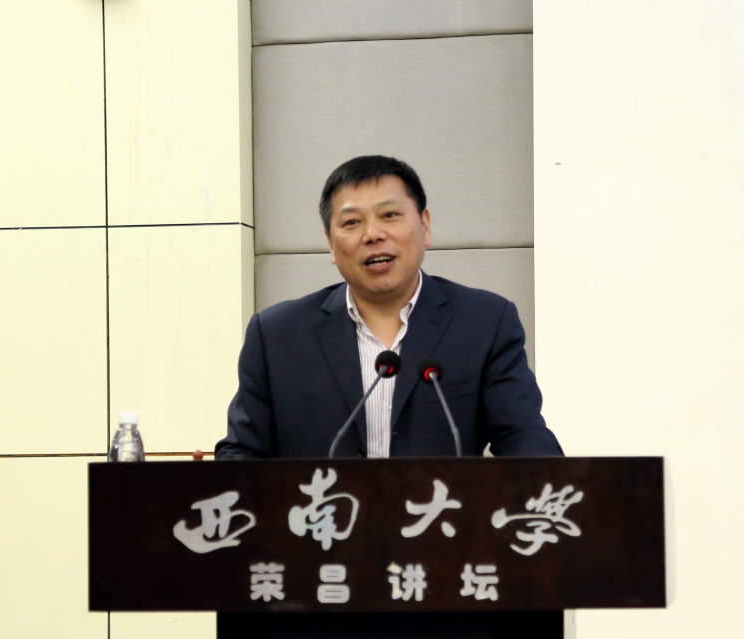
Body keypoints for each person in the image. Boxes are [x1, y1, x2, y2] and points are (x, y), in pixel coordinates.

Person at [215, 155, 562, 459]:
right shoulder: (276, 335)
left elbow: (524, 440)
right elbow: (243, 452)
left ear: (424, 226)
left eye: (390, 215)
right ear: (331, 245)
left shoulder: (484, 322)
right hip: (321, 514)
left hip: (439, 514)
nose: (373, 234)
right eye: (352, 222)